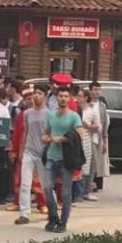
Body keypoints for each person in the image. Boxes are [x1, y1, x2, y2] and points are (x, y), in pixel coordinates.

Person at [41, 87, 82, 233]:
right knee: (46, 187)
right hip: (52, 156)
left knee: (65, 192)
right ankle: (53, 217)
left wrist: (63, 139)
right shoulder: (51, 115)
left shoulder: (74, 116)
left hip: (67, 158)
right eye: (61, 96)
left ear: (69, 98)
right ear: (57, 98)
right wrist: (45, 138)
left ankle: (63, 222)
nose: (63, 98)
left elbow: (79, 134)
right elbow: (45, 133)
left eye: (66, 96)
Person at [13, 84, 49, 225]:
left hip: (43, 154)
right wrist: (21, 151)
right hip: (29, 152)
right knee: (25, 184)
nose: (36, 96)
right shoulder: (27, 113)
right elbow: (25, 132)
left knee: (46, 184)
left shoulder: (50, 114)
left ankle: (51, 210)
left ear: (45, 96)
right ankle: (24, 213)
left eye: (39, 93)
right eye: (35, 93)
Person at [87, 81, 110, 192]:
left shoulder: (102, 105)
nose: (97, 92)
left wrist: (105, 141)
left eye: (99, 90)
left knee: (95, 163)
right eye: (95, 89)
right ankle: (87, 187)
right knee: (88, 163)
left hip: (99, 138)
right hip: (88, 137)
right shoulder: (86, 104)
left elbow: (104, 124)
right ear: (90, 91)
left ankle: (90, 185)